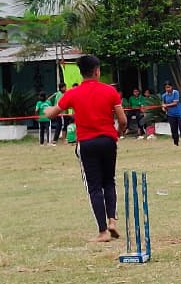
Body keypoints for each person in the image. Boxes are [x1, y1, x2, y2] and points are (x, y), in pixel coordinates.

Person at [42, 55, 127, 243]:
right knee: (109, 181)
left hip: (87, 143)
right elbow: (123, 121)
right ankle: (112, 220)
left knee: (94, 187)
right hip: (108, 141)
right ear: (97, 71)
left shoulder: (73, 93)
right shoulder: (110, 91)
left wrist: (46, 110)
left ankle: (103, 231)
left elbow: (53, 113)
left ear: (81, 73)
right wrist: (118, 134)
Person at [161, 82, 181, 146]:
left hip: (180, 113)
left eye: (169, 87)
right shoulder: (164, 95)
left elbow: (175, 103)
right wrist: (164, 108)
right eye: (166, 87)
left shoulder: (176, 92)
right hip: (171, 114)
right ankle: (176, 143)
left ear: (171, 87)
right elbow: (163, 105)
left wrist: (166, 105)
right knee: (173, 129)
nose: (167, 89)